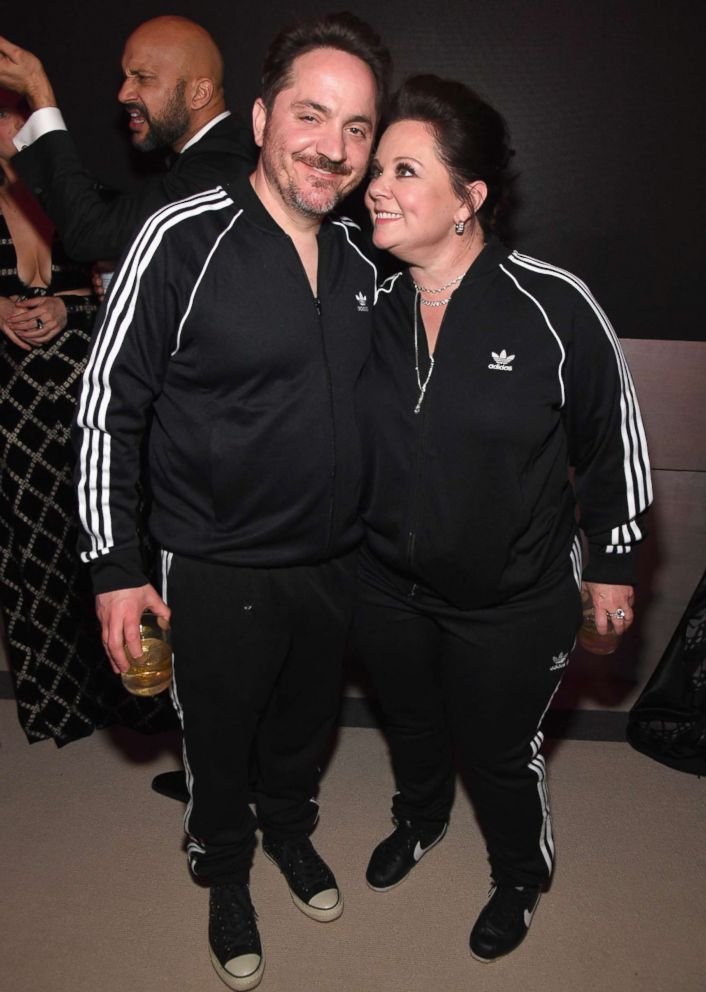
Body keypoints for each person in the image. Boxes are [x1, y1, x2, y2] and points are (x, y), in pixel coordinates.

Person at [74, 13, 390, 991]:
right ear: (259, 116)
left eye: (357, 127)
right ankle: (225, 873)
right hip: (210, 562)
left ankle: (289, 831)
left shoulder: (365, 259)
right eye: (310, 114)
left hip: (332, 561)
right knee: (215, 736)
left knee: (301, 730)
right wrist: (115, 569)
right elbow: (104, 405)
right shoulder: (180, 234)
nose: (332, 148)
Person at [354, 75, 652, 964]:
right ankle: (419, 819)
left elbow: (616, 444)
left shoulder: (552, 305)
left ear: (468, 200)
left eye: (406, 171)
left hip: (511, 599)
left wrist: (614, 566)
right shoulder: (366, 301)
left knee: (497, 751)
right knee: (408, 726)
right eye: (377, 169)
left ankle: (520, 874)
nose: (378, 186)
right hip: (385, 585)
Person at [0, 90, 103, 743]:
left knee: (102, 551)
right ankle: (56, 704)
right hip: (13, 410)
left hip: (83, 400)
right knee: (32, 554)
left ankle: (130, 701)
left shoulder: (76, 201)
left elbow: (124, 298)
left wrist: (69, 308)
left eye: (19, 126)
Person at [0, 16, 257, 263]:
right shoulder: (216, 155)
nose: (123, 94)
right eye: (126, 77)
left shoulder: (218, 169)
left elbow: (90, 233)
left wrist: (38, 92)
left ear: (199, 93)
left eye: (143, 78)